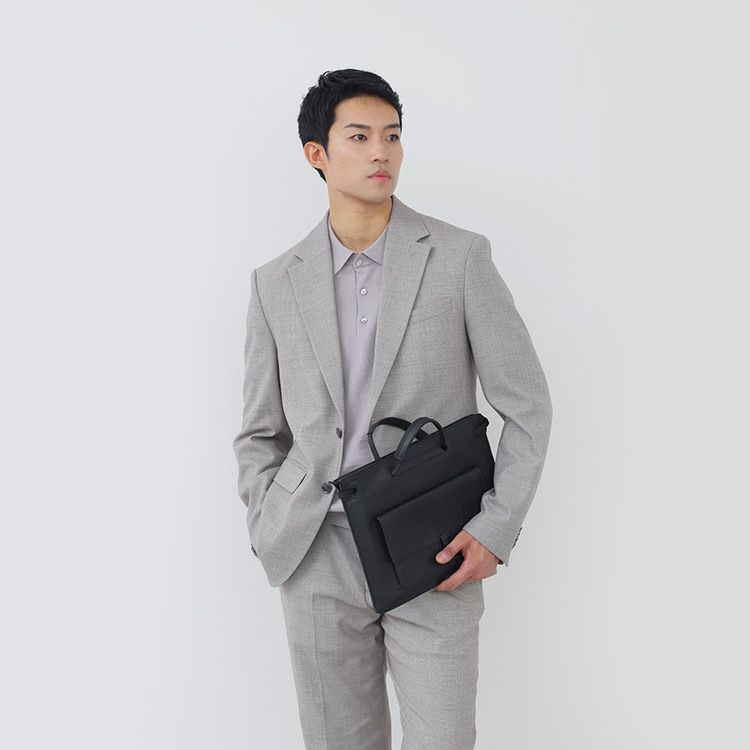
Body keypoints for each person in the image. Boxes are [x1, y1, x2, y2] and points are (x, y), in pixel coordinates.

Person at [232, 68, 553, 750]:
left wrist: (495, 528)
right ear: (317, 153)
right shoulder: (274, 284)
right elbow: (260, 432)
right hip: (315, 549)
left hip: (433, 544)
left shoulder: (459, 258)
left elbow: (528, 405)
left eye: (393, 136)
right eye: (359, 137)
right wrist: (268, 521)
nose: (381, 152)